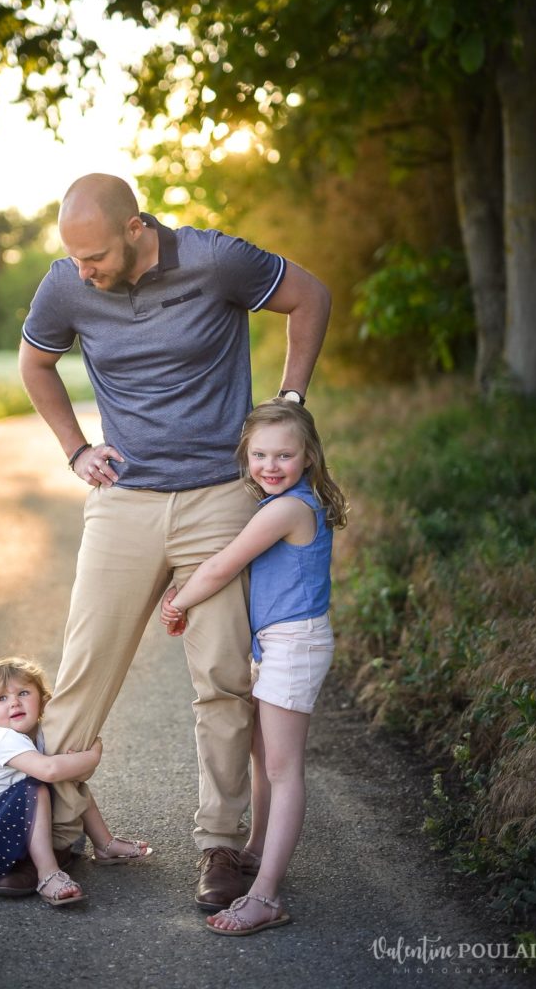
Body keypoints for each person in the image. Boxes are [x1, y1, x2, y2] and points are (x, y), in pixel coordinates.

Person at [18, 172, 331, 909]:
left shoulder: (215, 261)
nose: (83, 271)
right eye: (74, 257)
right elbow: (35, 363)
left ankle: (220, 846)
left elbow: (309, 295)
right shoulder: (65, 285)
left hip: (220, 499)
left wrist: (288, 401)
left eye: (95, 255)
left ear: (136, 228)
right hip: (123, 500)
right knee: (85, 669)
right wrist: (75, 449)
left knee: (222, 679)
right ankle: (53, 834)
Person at [160, 400, 347, 935]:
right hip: (277, 645)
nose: (270, 465)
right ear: (245, 455)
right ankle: (256, 850)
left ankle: (265, 895)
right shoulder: (285, 501)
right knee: (264, 759)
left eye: (284, 455)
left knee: (283, 771)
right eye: (259, 454)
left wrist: (177, 602)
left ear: (308, 456)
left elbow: (223, 565)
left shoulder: (287, 510)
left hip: (294, 645)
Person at [0, 656, 152, 903]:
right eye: (1, 698)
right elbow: (50, 770)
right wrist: (93, 755)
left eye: (23, 693)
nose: (14, 702)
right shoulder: (5, 740)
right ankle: (48, 874)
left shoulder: (41, 732)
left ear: (42, 700)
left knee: (66, 780)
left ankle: (104, 844)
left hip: (11, 821)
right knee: (36, 788)